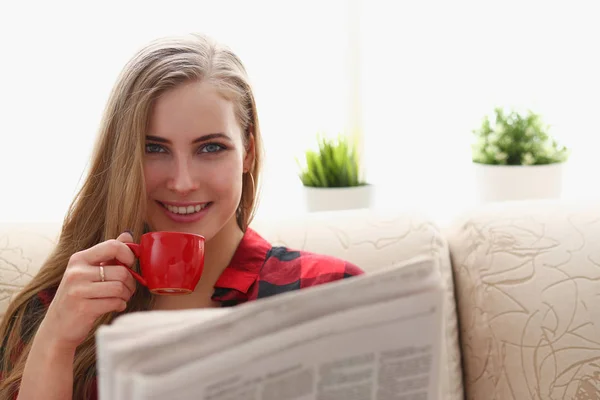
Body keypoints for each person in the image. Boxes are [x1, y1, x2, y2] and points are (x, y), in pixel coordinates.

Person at [0, 33, 364, 399]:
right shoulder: (53, 310)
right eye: (154, 148)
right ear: (124, 159)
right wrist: (55, 343)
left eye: (211, 147)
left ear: (248, 152)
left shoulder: (331, 289)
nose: (183, 182)